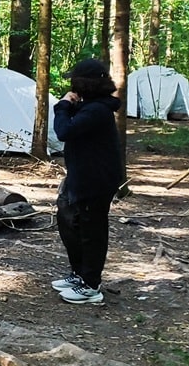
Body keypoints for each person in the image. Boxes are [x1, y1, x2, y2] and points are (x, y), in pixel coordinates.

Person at [50, 58, 123, 305]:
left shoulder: (97, 110)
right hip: (82, 176)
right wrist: (69, 106)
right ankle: (79, 274)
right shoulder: (91, 107)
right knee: (68, 219)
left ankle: (91, 285)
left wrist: (62, 106)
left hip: (96, 180)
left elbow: (64, 131)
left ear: (83, 84)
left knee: (92, 230)